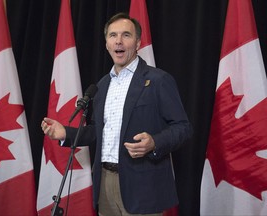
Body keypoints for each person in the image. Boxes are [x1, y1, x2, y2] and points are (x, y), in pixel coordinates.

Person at [41, 12, 192, 216]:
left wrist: (155, 142)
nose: (118, 41)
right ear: (106, 44)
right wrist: (65, 134)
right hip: (105, 182)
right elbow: (97, 131)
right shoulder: (102, 85)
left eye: (126, 35)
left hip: (143, 185)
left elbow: (183, 127)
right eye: (113, 36)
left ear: (138, 42)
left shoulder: (158, 80)